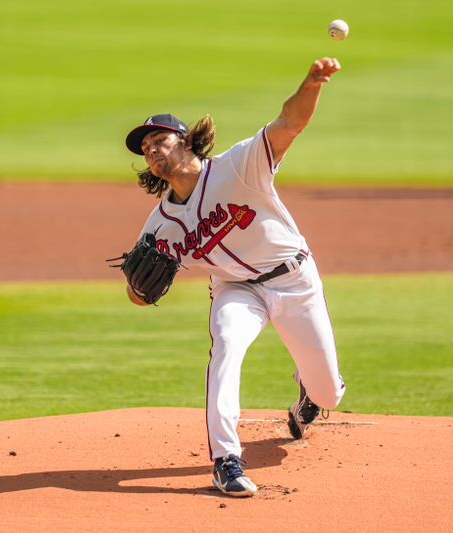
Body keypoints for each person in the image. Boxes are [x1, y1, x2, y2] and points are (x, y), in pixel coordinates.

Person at [122, 57, 346, 497]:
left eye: (159, 139)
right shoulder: (159, 223)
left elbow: (288, 123)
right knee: (225, 346)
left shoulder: (239, 165)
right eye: (145, 147)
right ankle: (226, 459)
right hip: (236, 290)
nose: (151, 149)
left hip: (294, 280)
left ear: (186, 141)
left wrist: (313, 83)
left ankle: (308, 395)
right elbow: (135, 293)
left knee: (329, 391)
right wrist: (139, 292)